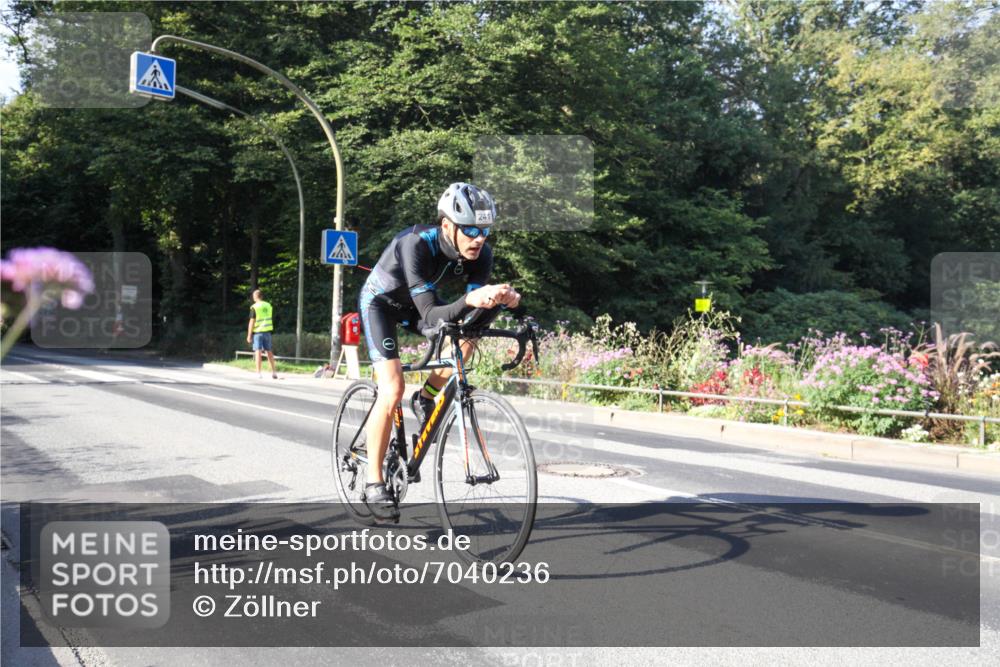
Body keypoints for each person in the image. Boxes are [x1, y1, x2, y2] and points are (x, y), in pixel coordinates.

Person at [358, 182, 521, 520]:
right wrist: (469, 300)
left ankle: (427, 396)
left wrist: (497, 303)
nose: (479, 238)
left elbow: (471, 318)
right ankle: (373, 482)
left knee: (469, 337)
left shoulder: (481, 255)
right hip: (382, 306)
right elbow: (432, 314)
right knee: (392, 389)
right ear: (447, 225)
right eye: (471, 230)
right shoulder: (415, 244)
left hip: (420, 308)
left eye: (485, 231)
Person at [247, 289, 278, 379]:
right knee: (269, 352)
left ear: (255, 297)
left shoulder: (255, 307)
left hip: (258, 333)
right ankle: (274, 372)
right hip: (267, 332)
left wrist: (249, 335)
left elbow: (252, 322)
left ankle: (259, 373)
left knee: (258, 351)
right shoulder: (268, 305)